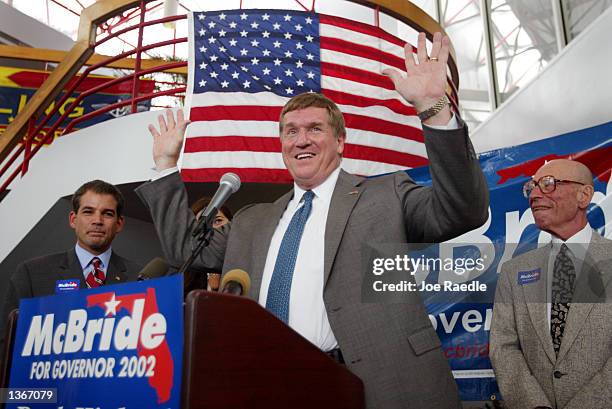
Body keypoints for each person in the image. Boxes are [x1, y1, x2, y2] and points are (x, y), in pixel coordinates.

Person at [136, 32, 489, 409]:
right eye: (291, 131)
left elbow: (462, 210)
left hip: (379, 387)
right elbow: (184, 248)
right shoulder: (252, 221)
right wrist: (165, 166)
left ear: (340, 141)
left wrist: (434, 108)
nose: (301, 140)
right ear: (282, 147)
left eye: (314, 129)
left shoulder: (385, 195)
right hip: (270, 386)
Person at [490, 159, 612, 409]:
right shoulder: (514, 271)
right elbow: (503, 347)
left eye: (548, 184)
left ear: (584, 195)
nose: (534, 195)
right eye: (531, 187)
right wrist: (535, 406)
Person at [0, 180, 142, 359]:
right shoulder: (32, 273)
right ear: (73, 220)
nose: (97, 221)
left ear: (119, 224)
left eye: (107, 214)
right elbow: (7, 344)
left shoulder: (141, 278)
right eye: (88, 212)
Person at [184, 196, 233, 293]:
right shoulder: (184, 274)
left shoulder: (247, 263)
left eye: (218, 221)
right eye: (202, 224)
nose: (212, 229)